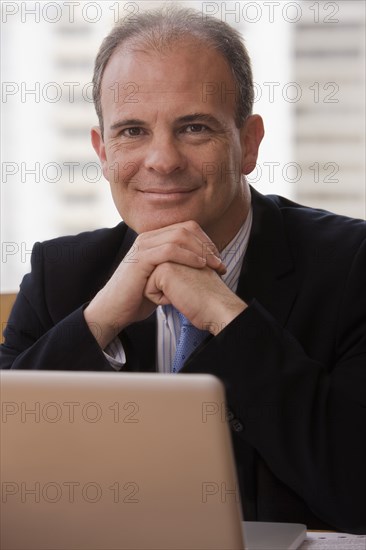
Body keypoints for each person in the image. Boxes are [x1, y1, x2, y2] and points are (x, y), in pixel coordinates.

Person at [1, 6, 365, 534]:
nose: (163, 160)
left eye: (194, 128)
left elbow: (357, 490)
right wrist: (98, 321)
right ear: (103, 152)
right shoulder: (60, 275)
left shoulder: (352, 267)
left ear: (250, 143)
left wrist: (227, 316)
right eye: (132, 131)